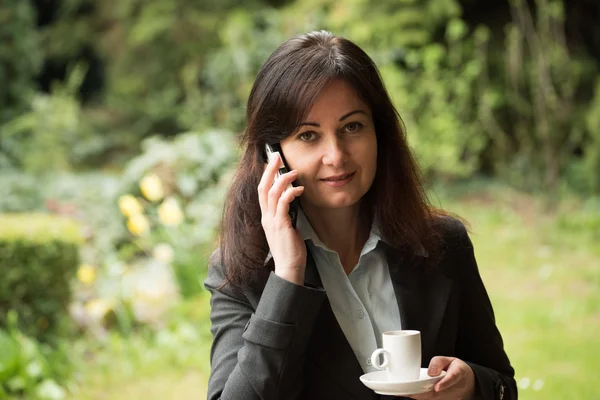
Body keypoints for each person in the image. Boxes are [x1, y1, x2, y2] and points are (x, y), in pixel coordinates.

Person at [204, 30, 517, 400]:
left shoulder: (444, 243)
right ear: (273, 154)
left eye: (352, 127)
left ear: (379, 134)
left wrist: (471, 385)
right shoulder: (241, 271)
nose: (336, 155)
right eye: (308, 135)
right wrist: (287, 277)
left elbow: (501, 385)